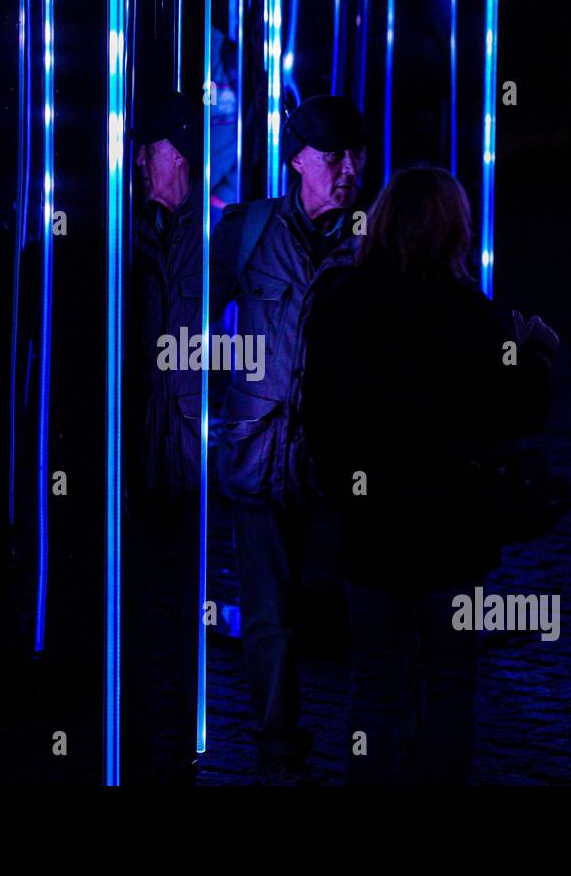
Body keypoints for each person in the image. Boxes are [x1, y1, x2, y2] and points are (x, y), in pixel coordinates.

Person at [300, 166, 558, 785]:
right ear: (454, 231)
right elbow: (514, 412)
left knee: (372, 686)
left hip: (373, 530)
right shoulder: (471, 314)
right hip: (452, 533)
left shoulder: (342, 301)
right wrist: (538, 356)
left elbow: (319, 413)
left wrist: (343, 490)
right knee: (449, 688)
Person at [209, 94, 369, 783]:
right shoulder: (246, 231)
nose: (348, 171)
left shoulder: (376, 240)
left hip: (341, 463)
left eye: (356, 157)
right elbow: (192, 317)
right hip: (258, 453)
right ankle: (278, 746)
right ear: (295, 160)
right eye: (332, 157)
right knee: (270, 614)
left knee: (368, 613)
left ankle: (379, 747)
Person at [123, 90, 205, 785]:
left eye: (150, 152)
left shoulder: (214, 237)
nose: (141, 163)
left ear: (176, 155)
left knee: (175, 606)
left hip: (185, 452)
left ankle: (173, 744)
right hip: (147, 451)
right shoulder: (136, 235)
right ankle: (150, 740)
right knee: (145, 605)